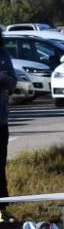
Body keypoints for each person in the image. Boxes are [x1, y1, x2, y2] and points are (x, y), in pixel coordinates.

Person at [0, 27, 16, 215]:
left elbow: (12, 81)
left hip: (0, 122)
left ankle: (3, 209)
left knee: (0, 165)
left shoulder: (3, 54)